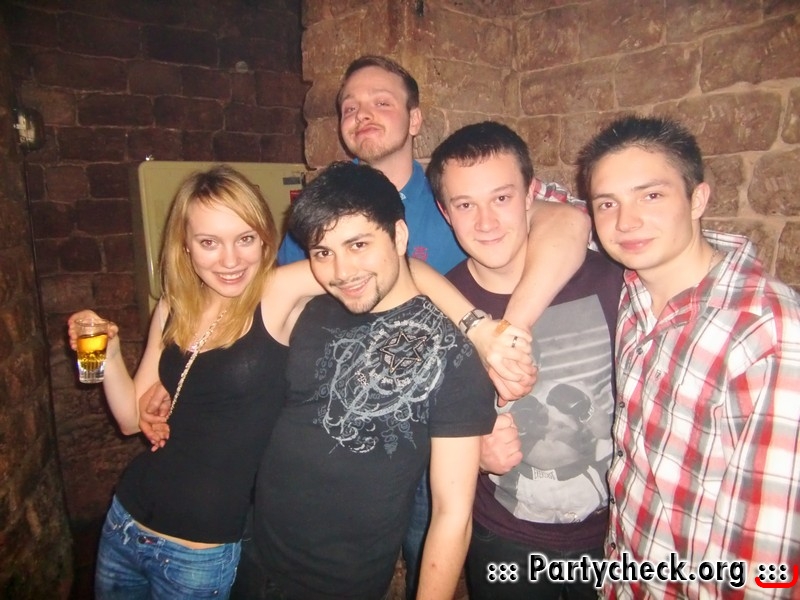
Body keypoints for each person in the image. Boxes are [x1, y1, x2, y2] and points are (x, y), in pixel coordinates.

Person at [276, 54, 591, 596]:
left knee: (435, 551)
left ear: (416, 119)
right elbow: (280, 304)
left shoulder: (453, 194)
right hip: (350, 436)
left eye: (382, 102)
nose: (363, 114)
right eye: (349, 106)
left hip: (441, 435)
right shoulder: (327, 206)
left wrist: (502, 333)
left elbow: (567, 219)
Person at [234, 160, 498, 600]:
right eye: (323, 252)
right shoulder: (309, 308)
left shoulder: (454, 357)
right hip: (250, 552)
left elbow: (453, 515)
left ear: (399, 236)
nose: (341, 271)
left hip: (337, 583)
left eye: (358, 244)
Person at [67, 165, 324, 599]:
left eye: (245, 238)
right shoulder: (173, 306)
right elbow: (129, 420)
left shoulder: (277, 292)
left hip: (197, 551)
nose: (230, 260)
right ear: (185, 245)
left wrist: (459, 314)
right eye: (209, 242)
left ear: (266, 238)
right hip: (125, 522)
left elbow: (384, 264)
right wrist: (108, 353)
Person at [577, 114, 800, 598]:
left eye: (651, 196)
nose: (626, 221)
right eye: (607, 203)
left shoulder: (766, 332)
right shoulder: (635, 292)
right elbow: (526, 202)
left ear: (698, 199)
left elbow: (767, 557)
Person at [426, 121, 623, 599]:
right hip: (503, 538)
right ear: (444, 212)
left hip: (612, 536)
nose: (486, 223)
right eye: (465, 205)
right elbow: (421, 427)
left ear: (532, 194)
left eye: (501, 197)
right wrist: (473, 454)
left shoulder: (612, 279)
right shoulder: (441, 308)